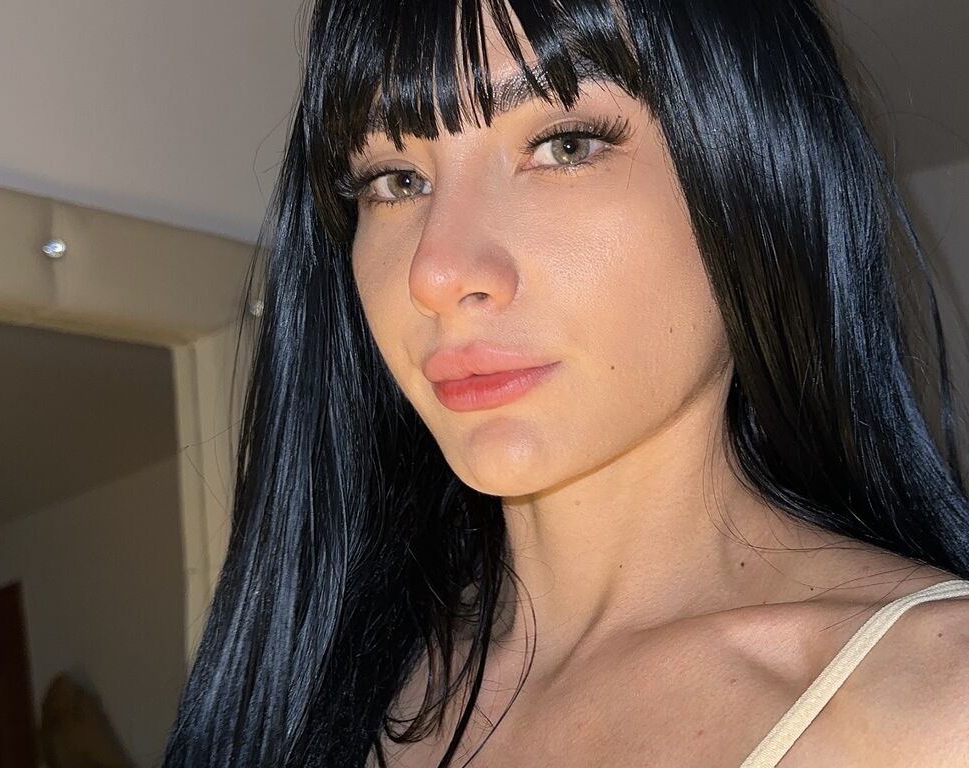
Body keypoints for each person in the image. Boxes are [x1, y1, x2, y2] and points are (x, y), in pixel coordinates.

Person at [162, 1, 969, 766]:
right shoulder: (313, 685)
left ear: (759, 179)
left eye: (566, 145)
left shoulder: (935, 704)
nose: (435, 273)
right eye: (396, 181)